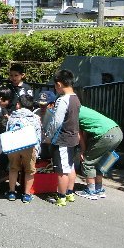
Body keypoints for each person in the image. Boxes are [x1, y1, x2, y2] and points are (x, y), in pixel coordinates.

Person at [44, 69, 81, 207]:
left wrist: (48, 135)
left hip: (63, 139)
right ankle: (70, 193)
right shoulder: (76, 98)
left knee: (61, 170)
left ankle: (61, 196)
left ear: (59, 84)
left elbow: (56, 121)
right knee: (70, 166)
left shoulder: (63, 100)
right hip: (72, 138)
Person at [75, 106, 123, 200]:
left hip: (106, 134)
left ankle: (91, 191)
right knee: (99, 162)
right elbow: (84, 132)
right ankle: (99, 189)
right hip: (117, 132)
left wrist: (83, 151)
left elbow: (79, 134)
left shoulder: (72, 112)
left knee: (88, 161)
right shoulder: (82, 109)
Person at [5, 94, 42, 203]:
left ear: (18, 105)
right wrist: (37, 151)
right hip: (29, 146)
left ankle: (12, 192)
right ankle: (26, 194)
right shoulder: (35, 118)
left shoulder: (12, 117)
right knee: (29, 170)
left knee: (13, 168)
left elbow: (8, 131)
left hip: (14, 145)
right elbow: (38, 135)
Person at [33, 90, 57, 159]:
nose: (42, 107)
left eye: (45, 105)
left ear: (52, 105)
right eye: (41, 105)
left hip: (48, 143)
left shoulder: (53, 116)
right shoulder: (35, 112)